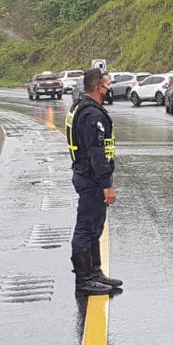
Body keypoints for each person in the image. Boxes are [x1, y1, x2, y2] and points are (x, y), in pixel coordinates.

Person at [65, 68, 122, 295]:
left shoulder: (83, 107)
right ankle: (84, 279)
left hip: (87, 175)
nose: (110, 89)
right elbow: (97, 153)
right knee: (86, 229)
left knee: (95, 228)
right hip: (91, 179)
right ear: (98, 87)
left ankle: (95, 272)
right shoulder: (92, 116)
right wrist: (106, 184)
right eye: (108, 84)